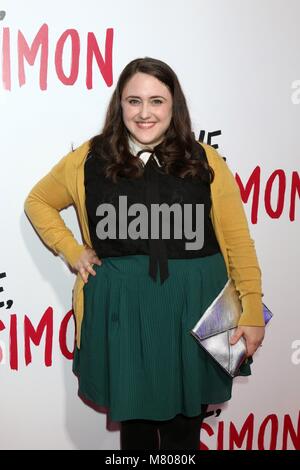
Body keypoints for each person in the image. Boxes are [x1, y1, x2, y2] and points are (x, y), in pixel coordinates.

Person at [24, 57, 265, 450]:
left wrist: (251, 307)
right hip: (124, 313)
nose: (145, 112)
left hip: (196, 311)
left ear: (174, 105)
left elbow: (238, 241)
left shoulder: (205, 159)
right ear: (120, 105)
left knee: (185, 430)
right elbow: (38, 201)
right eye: (134, 101)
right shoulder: (88, 158)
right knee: (135, 432)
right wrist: (71, 250)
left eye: (157, 100)